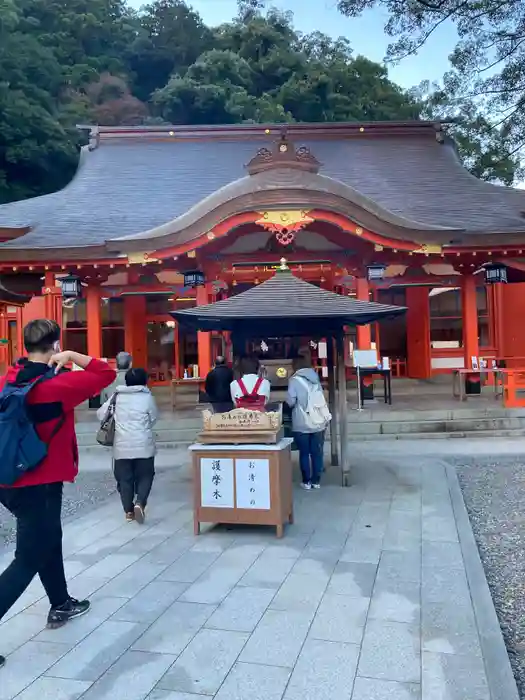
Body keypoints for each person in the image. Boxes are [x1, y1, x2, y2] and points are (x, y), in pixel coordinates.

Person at [0, 319, 116, 667]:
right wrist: (72, 354)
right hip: (40, 483)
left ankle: (61, 603)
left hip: (9, 478)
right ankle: (60, 603)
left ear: (23, 347)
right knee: (27, 558)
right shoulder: (58, 385)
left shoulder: (8, 379)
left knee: (49, 538)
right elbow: (105, 373)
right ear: (54, 345)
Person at [98, 368, 157, 524]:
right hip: (143, 444)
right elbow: (154, 418)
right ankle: (140, 503)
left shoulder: (116, 396)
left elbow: (100, 414)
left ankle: (128, 512)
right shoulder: (147, 397)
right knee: (146, 475)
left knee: (124, 479)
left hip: (121, 445)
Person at [286, 356, 329, 490]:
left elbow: (291, 401)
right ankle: (316, 481)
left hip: (302, 421)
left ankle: (307, 481)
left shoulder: (294, 380)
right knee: (317, 452)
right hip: (318, 421)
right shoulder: (315, 377)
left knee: (304, 453)